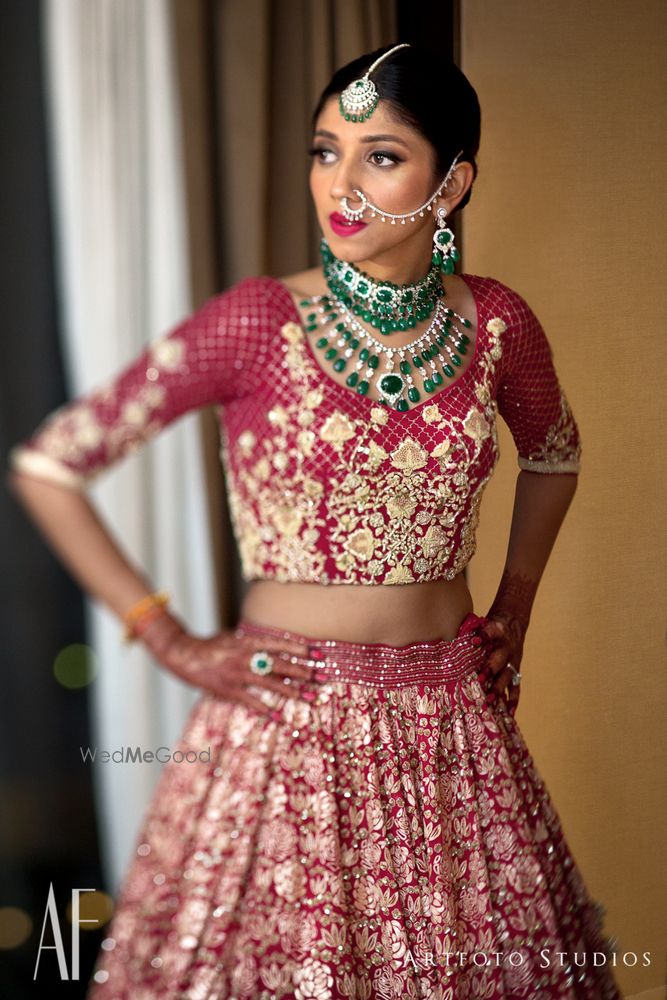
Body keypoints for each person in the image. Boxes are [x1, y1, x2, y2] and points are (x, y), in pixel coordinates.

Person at [7, 41, 621, 1000]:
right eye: (323, 150)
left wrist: (517, 606)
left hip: (449, 728)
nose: (339, 182)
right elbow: (51, 465)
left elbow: (555, 453)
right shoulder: (257, 321)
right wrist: (165, 638)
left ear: (450, 182)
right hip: (280, 726)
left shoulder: (495, 323)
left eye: (379, 155)